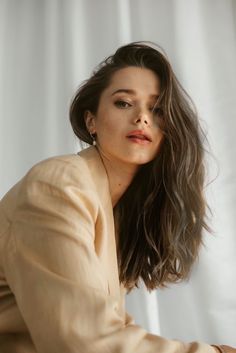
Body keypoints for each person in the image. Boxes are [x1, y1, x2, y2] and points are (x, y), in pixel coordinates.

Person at [0, 41, 234, 353]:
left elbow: (108, 329)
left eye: (158, 108)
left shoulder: (116, 209)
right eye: (124, 103)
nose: (142, 117)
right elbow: (86, 342)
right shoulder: (58, 187)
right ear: (91, 121)